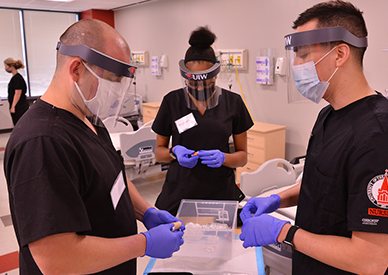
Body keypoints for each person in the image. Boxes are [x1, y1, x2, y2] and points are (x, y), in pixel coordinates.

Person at [239, 1, 388, 274]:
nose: (295, 64)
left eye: (302, 54)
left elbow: (371, 260)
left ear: (339, 54)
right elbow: (325, 185)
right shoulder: (329, 116)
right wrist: (277, 199)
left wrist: (284, 233)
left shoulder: (382, 137)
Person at [4, 19, 184, 275]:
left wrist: (147, 212)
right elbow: (56, 259)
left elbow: (115, 180)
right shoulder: (42, 142)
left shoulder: (90, 120)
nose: (117, 92)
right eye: (112, 79)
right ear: (77, 69)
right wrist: (145, 244)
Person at [152, 26, 254, 216]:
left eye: (206, 83)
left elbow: (242, 156)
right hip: (180, 191)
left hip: (220, 191)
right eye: (192, 83)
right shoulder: (172, 101)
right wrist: (175, 153)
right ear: (185, 77)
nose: (199, 88)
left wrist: (224, 158)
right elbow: (158, 152)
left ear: (215, 75)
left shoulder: (233, 102)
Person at [4, 58, 29, 125]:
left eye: (6, 66)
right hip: (17, 106)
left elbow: (18, 93)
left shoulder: (17, 78)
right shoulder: (14, 77)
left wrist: (13, 107)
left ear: (11, 67)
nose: (5, 68)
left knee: (20, 124)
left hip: (19, 107)